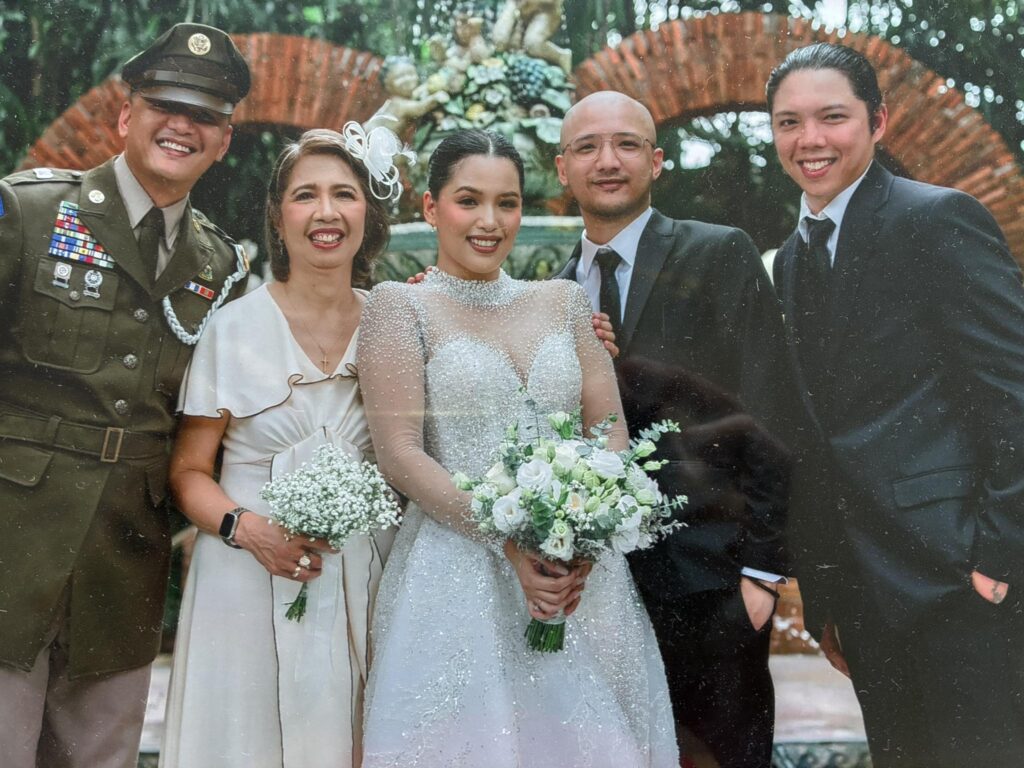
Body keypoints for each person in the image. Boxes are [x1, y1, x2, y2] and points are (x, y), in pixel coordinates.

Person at [358, 129, 678, 766]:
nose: (490, 221)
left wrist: (585, 538)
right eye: (468, 201)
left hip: (579, 578)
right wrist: (510, 542)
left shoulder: (564, 301)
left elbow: (610, 433)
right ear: (430, 208)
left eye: (506, 203)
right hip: (456, 573)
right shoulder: (399, 306)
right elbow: (400, 453)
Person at [767, 42, 1024, 767]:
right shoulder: (792, 257)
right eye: (789, 122)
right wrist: (828, 598)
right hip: (864, 593)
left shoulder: (939, 218)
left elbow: (1014, 391)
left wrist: (995, 561)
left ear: (878, 122)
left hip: (958, 583)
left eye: (832, 117)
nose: (809, 140)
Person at [0, 23, 249, 768]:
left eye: (204, 115)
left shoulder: (220, 266)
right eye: (165, 106)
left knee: (98, 756)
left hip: (125, 560)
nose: (182, 125)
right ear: (125, 115)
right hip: (12, 544)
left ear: (224, 141)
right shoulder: (30, 214)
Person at [554, 91, 794, 767]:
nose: (608, 161)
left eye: (626, 144)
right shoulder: (554, 291)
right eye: (587, 147)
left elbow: (773, 408)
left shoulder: (718, 253)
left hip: (712, 585)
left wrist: (762, 573)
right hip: (603, 590)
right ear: (563, 168)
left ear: (657, 162)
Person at [160, 126, 401, 768]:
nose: (326, 212)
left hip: (364, 572)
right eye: (305, 195)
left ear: (368, 213)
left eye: (344, 194)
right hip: (245, 574)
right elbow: (188, 472)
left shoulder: (394, 323)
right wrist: (250, 531)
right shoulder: (232, 327)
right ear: (278, 215)